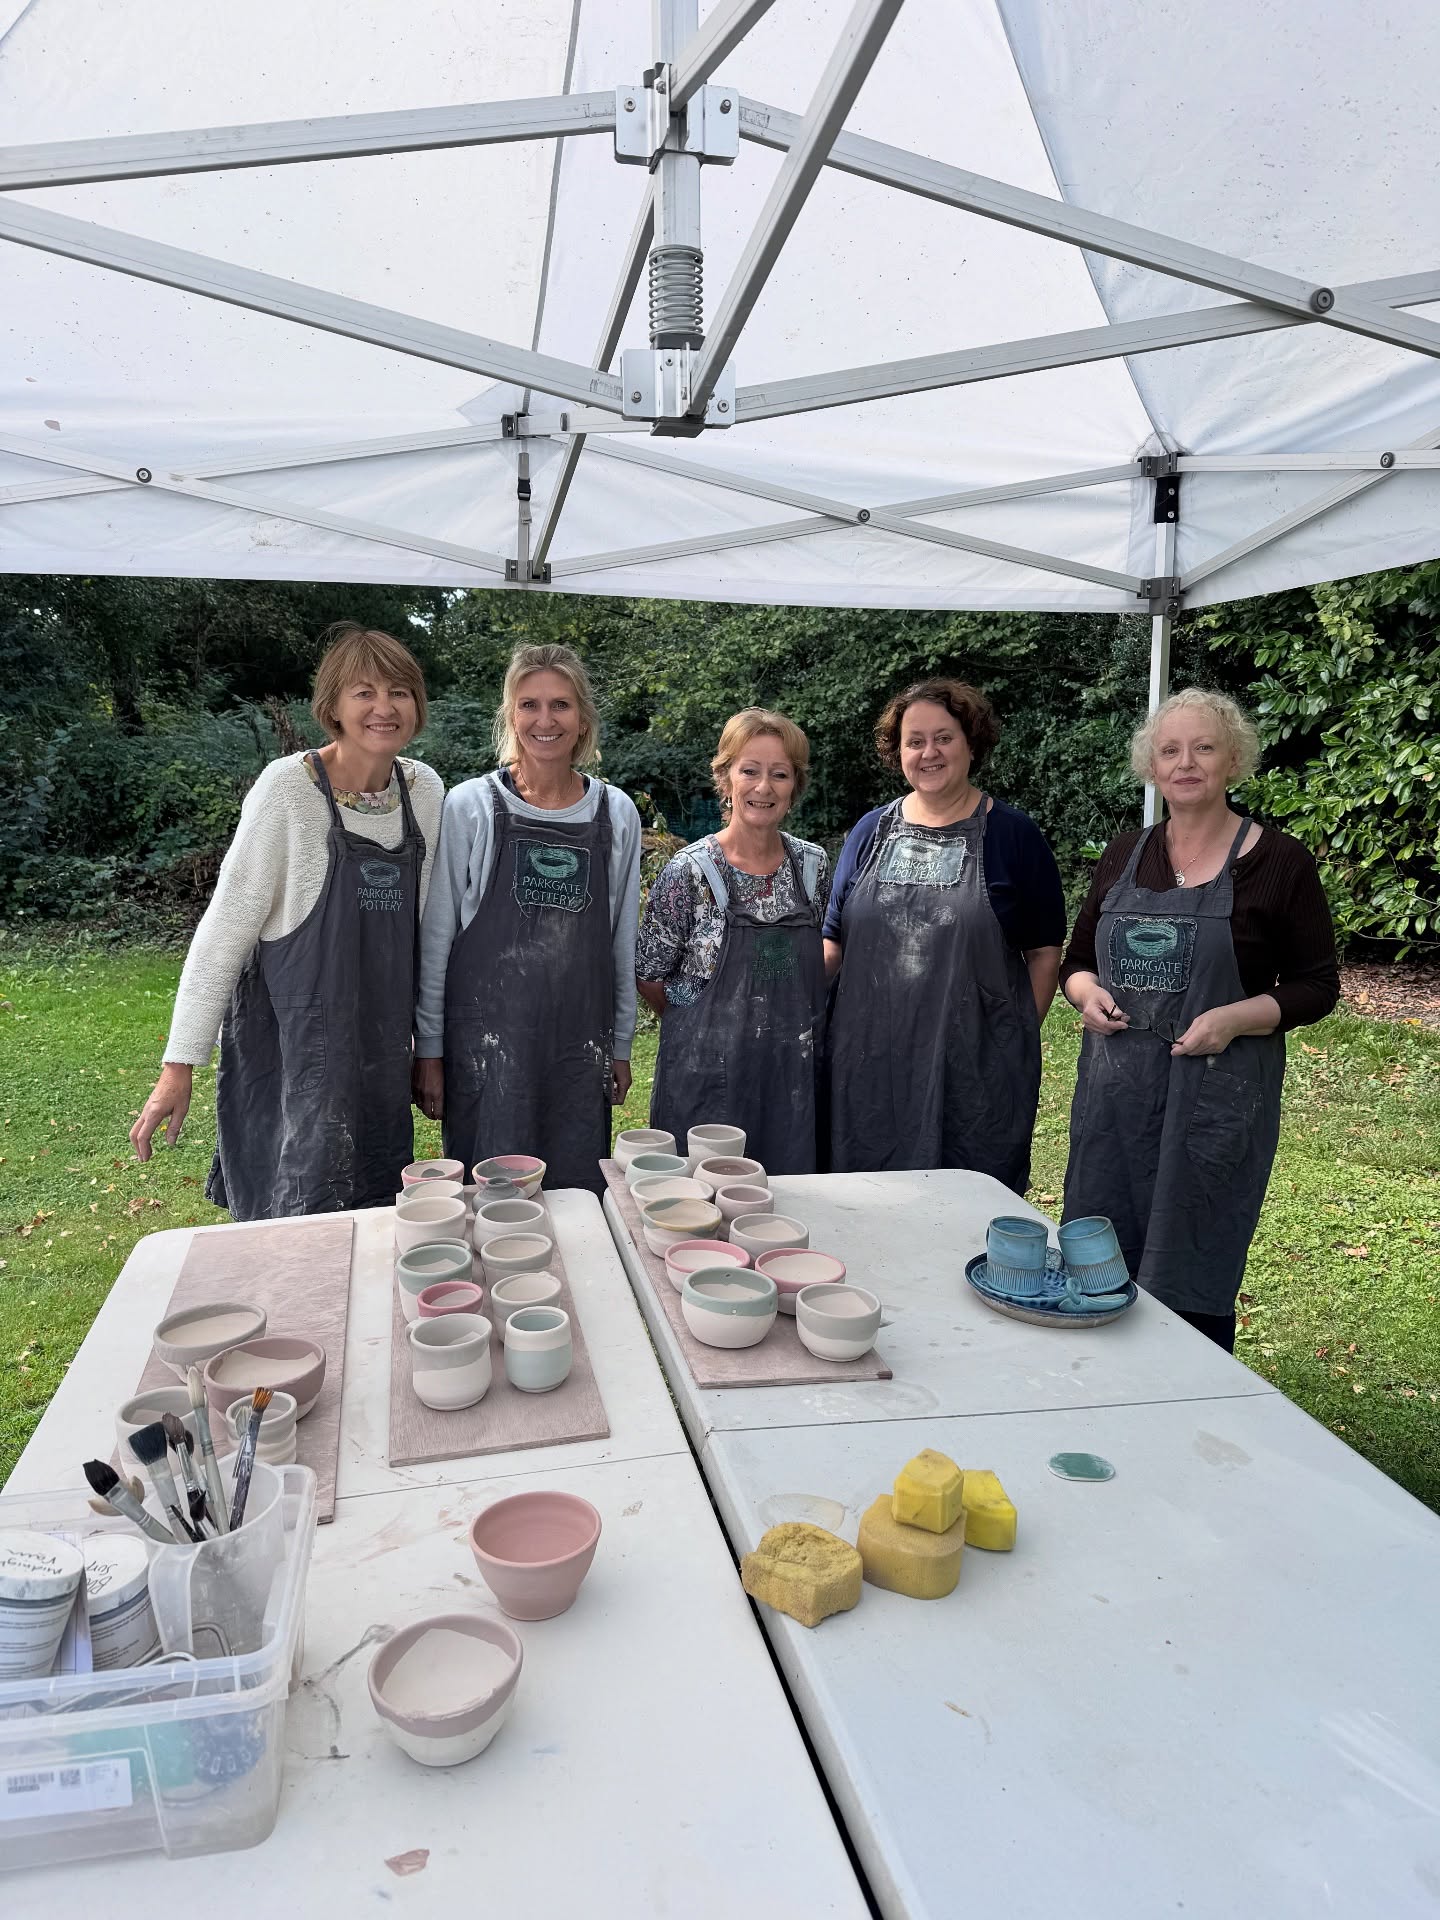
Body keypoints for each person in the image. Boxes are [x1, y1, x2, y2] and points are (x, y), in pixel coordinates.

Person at [130, 623, 444, 1218]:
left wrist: (427, 1046)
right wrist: (179, 1066)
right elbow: (223, 932)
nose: (384, 707)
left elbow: (425, 935)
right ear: (332, 706)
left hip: (379, 1038)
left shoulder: (424, 790)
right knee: (298, 1198)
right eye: (364, 692)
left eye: (400, 691)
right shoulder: (287, 791)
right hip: (296, 1041)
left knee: (376, 1200)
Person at [1060, 688, 1339, 1350]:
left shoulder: (1281, 862)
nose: (1186, 763)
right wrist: (1083, 993)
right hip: (1115, 1104)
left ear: (1234, 760)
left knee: (1195, 1259)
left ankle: (1193, 1405)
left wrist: (1237, 1018)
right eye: (1170, 750)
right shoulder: (1124, 853)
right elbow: (1076, 960)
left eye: (1204, 747)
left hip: (1213, 1103)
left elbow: (1317, 986)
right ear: (1151, 767)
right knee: (1098, 1257)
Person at [413, 643, 641, 1196]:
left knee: (574, 1196)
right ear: (510, 715)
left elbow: (621, 943)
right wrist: (430, 1051)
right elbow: (438, 939)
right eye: (529, 705)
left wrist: (621, 1046)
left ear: (582, 717)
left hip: (576, 1046)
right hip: (486, 1049)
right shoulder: (470, 806)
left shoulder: (617, 814)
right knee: (491, 1198)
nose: (545, 720)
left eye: (561, 705)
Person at [823, 678, 1065, 1189]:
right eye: (915, 741)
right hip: (869, 1068)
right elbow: (835, 942)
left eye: (944, 737)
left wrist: (1013, 1034)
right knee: (864, 1206)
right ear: (898, 752)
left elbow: (1045, 950)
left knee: (967, 1209)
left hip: (972, 1073)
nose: (928, 752)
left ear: (971, 742)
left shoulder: (1014, 836)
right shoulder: (869, 831)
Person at [638, 710, 830, 1175]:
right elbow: (648, 974)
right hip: (704, 1086)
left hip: (790, 1080)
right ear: (725, 778)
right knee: (698, 1215)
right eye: (750, 770)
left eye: (779, 774)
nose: (764, 787)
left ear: (794, 786)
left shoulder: (813, 868)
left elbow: (820, 962)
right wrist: (700, 1027)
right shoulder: (690, 872)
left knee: (789, 1208)